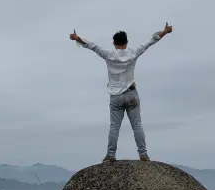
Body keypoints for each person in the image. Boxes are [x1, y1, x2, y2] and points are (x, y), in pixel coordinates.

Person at [69, 23, 173, 162]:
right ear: (126, 42)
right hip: (131, 94)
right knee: (137, 125)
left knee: (114, 126)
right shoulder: (133, 53)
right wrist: (165, 31)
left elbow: (92, 45)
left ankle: (110, 155)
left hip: (116, 97)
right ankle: (143, 154)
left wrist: (77, 37)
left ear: (114, 43)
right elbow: (150, 42)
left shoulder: (109, 55)